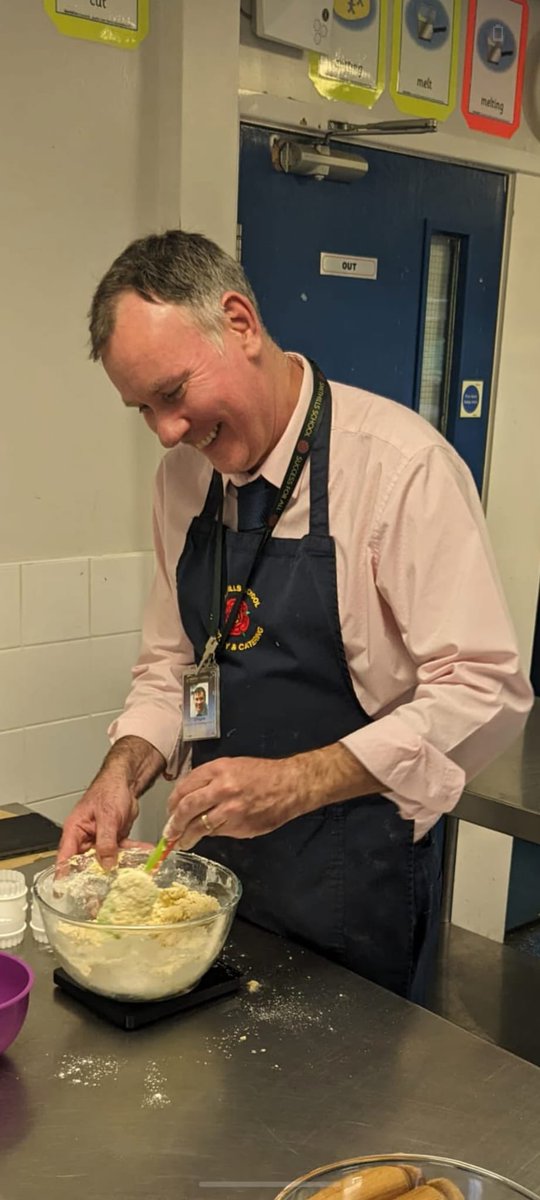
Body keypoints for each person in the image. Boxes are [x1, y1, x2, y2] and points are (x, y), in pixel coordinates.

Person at [58, 229, 533, 1002]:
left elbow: (486, 690)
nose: (168, 432)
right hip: (216, 871)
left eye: (173, 394)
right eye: (143, 409)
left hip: (351, 877)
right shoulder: (184, 480)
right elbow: (178, 665)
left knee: (340, 1112)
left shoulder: (398, 468)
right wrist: (123, 771)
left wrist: (300, 781)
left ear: (240, 323)